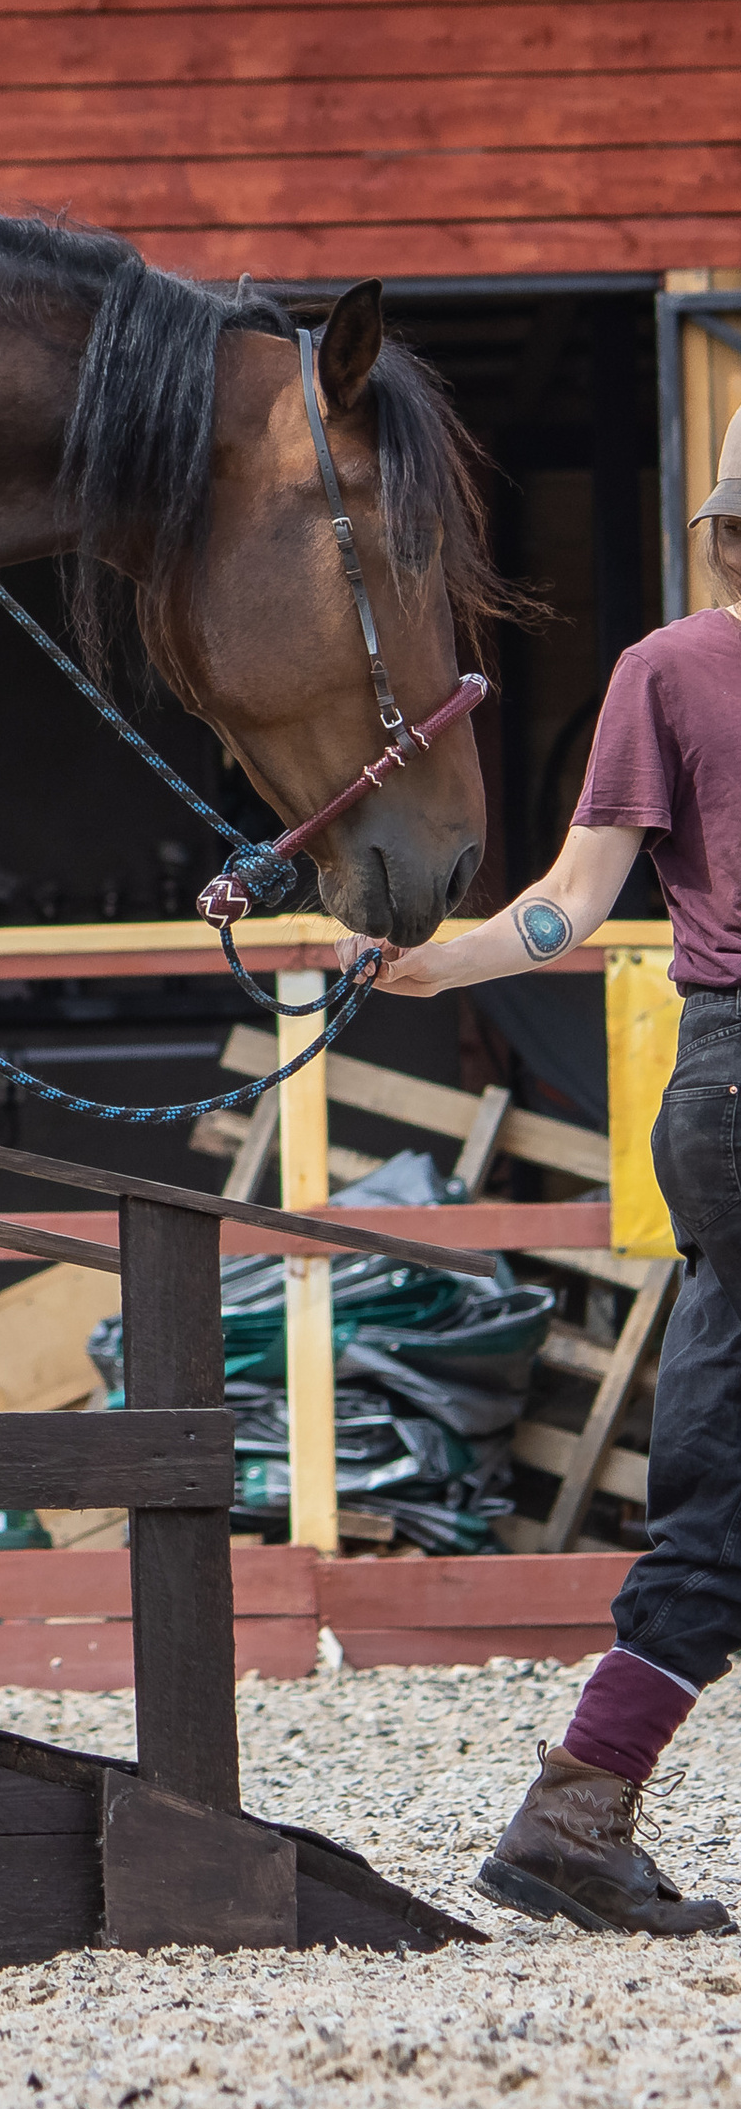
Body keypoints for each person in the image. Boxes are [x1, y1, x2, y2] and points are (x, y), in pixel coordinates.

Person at [350, 404, 741, 1939]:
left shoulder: (667, 670)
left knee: (715, 1501)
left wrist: (436, 967)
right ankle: (574, 1822)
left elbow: (569, 908)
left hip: (722, 1094)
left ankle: (576, 1817)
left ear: (718, 535)